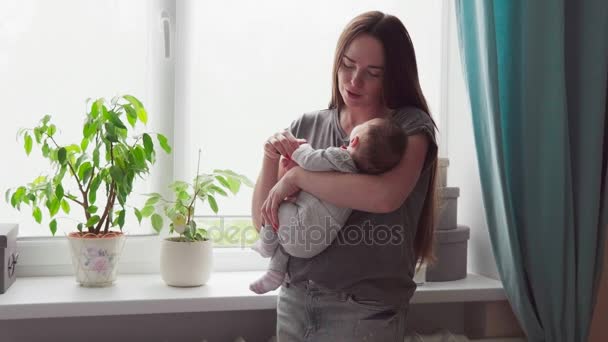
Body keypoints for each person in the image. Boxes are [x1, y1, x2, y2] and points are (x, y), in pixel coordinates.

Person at [251, 10, 438, 341]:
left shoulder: (407, 129)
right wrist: (270, 158)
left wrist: (297, 179)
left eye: (372, 73)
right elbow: (266, 221)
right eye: (348, 65)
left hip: (365, 311)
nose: (354, 81)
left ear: (392, 76)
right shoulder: (307, 126)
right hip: (295, 300)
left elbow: (383, 196)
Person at [250, 118, 407, 294]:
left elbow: (309, 159)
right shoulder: (358, 180)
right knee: (288, 232)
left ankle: (266, 244)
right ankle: (275, 272)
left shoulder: (340, 157)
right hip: (316, 243)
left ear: (353, 141)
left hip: (303, 229)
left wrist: (299, 147)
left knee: (278, 207)